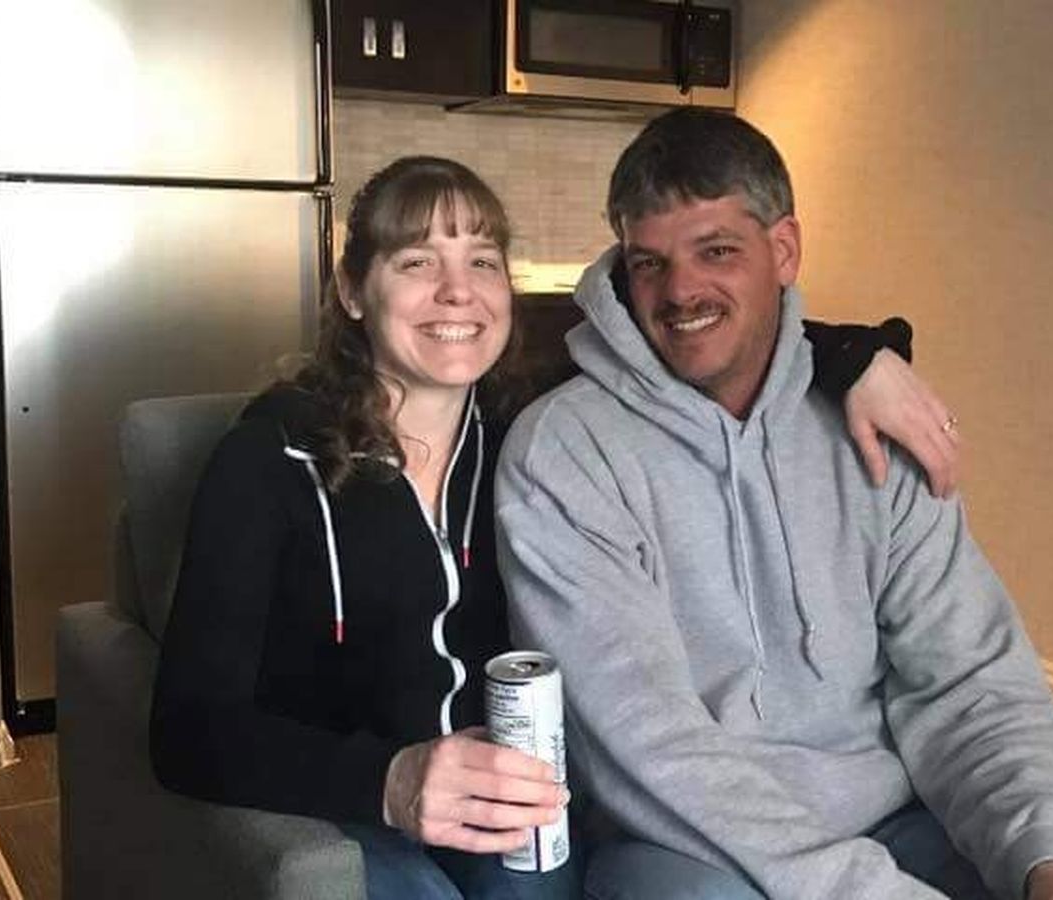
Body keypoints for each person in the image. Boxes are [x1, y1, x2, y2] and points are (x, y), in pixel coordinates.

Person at [150, 154, 960, 900]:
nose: (457, 292)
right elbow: (186, 730)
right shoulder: (269, 460)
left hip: (513, 805)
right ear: (355, 291)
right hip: (347, 804)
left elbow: (695, 334)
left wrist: (856, 356)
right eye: (417, 262)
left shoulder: (535, 431)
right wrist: (390, 780)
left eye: (482, 262)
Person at [494, 110, 1053, 900]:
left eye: (716, 250)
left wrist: (1049, 865)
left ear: (783, 250)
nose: (679, 290)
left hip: (901, 822)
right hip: (688, 849)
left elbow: (973, 682)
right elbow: (649, 747)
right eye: (649, 262)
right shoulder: (565, 453)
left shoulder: (877, 426)